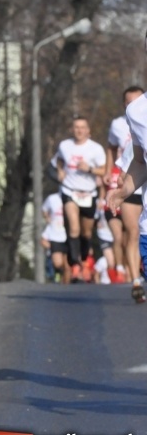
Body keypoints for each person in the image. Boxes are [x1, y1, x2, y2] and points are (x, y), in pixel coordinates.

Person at [51, 116, 106, 283]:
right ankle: (75, 264)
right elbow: (59, 160)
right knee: (73, 227)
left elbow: (104, 171)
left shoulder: (95, 149)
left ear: (88, 131)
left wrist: (89, 168)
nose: (79, 130)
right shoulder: (65, 146)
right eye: (76, 127)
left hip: (89, 193)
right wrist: (60, 171)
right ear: (72, 130)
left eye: (83, 127)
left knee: (86, 232)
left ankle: (83, 259)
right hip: (70, 190)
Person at [105, 86, 145, 296]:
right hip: (135, 195)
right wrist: (121, 190)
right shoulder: (134, 118)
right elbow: (135, 162)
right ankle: (135, 280)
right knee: (133, 233)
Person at [41, 191, 69, 284]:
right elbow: (43, 240)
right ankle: (58, 274)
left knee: (68, 265)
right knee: (58, 264)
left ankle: (68, 287)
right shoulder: (52, 198)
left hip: (69, 235)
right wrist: (47, 218)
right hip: (55, 236)